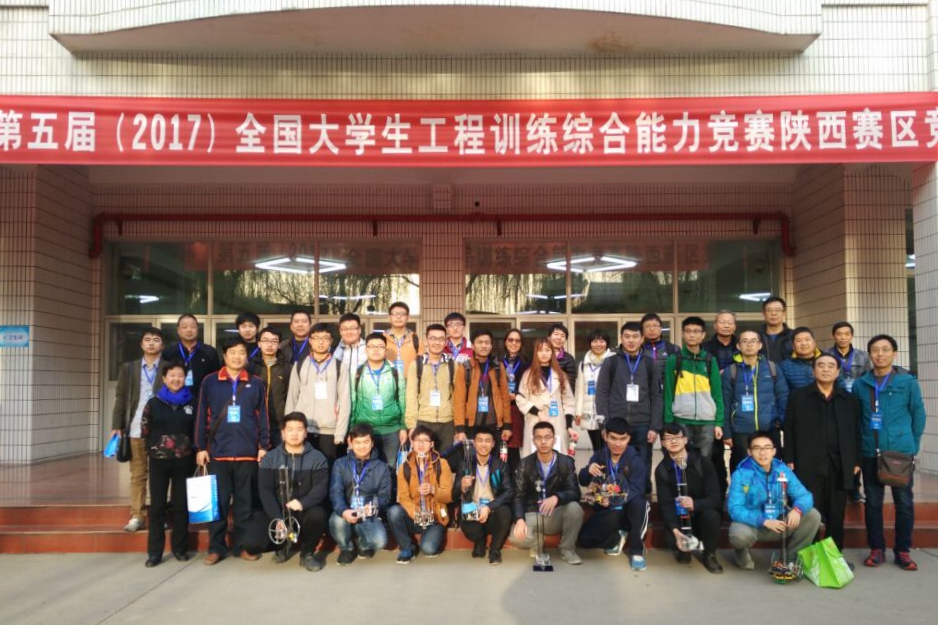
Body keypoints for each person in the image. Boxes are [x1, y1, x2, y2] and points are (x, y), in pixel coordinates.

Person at [194, 337, 269, 566]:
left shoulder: (256, 383)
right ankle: (216, 548)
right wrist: (201, 447)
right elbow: (201, 416)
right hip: (219, 453)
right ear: (225, 355)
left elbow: (263, 416)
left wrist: (263, 446)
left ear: (247, 356)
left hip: (247, 453)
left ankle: (243, 546)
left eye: (241, 352)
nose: (237, 357)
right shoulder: (210, 382)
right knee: (219, 504)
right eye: (232, 352)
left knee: (245, 504)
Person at [854, 335, 926, 571]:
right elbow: (857, 420)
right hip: (870, 452)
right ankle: (877, 549)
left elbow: (918, 415)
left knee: (903, 503)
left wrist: (911, 444)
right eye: (875, 350)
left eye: (885, 350)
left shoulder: (908, 382)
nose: (880, 354)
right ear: (869, 355)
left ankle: (903, 551)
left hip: (899, 454)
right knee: (873, 503)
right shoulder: (861, 384)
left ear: (894, 354)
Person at [784, 355, 861, 553]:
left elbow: (856, 431)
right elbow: (789, 429)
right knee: (810, 512)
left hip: (839, 464)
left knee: (836, 513)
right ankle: (808, 556)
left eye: (831, 366)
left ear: (838, 372)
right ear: (813, 371)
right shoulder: (798, 397)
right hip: (808, 463)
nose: (825, 369)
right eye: (821, 365)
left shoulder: (849, 399)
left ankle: (833, 557)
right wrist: (789, 458)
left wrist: (856, 461)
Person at [243, 412, 329, 572]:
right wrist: (277, 518)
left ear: (305, 432)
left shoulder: (317, 458)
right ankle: (281, 547)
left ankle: (307, 553)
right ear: (283, 433)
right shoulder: (270, 458)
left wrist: (303, 503)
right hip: (278, 509)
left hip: (303, 509)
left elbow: (320, 488)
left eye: (299, 429)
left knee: (318, 515)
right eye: (290, 429)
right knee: (251, 542)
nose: (294, 434)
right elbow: (265, 491)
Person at [727, 432, 821, 570]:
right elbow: (734, 508)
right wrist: (763, 521)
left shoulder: (782, 470)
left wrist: (797, 510)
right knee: (738, 535)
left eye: (767, 448)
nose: (762, 453)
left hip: (778, 520)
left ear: (774, 451)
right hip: (753, 524)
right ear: (749, 452)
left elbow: (804, 495)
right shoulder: (741, 474)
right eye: (757, 448)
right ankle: (742, 551)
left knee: (813, 515)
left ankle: (790, 559)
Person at [594, 322, 662, 493]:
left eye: (635, 337)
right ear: (621, 338)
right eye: (627, 336)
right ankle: (615, 499)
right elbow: (601, 394)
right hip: (616, 424)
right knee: (614, 465)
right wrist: (604, 424)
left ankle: (642, 500)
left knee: (643, 464)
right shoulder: (610, 362)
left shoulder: (650, 364)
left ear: (642, 339)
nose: (631, 340)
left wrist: (654, 426)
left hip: (642, 423)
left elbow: (656, 396)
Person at [141, 361, 195, 567]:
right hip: (159, 461)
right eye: (172, 375)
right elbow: (145, 428)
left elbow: (197, 428)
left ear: (185, 378)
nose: (176, 379)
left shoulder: (191, 402)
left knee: (181, 505)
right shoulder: (154, 402)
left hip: (184, 461)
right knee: (157, 507)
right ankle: (155, 552)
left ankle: (180, 548)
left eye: (180, 375)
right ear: (164, 378)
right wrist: (153, 448)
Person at [577, 418, 649, 571]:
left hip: (628, 511)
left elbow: (637, 490)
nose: (617, 443)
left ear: (629, 438)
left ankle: (637, 551)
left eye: (623, 439)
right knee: (584, 540)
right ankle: (618, 537)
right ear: (605, 436)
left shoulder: (635, 460)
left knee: (639, 502)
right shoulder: (600, 456)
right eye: (613, 438)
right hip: (609, 513)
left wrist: (612, 499)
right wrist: (588, 471)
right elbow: (582, 481)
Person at [111, 326, 164, 533]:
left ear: (162, 345)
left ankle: (159, 515)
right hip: (135, 429)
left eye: (156, 340)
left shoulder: (168, 367)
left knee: (160, 476)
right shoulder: (129, 368)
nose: (151, 343)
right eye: (147, 339)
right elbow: (121, 397)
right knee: (138, 474)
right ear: (141, 344)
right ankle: (137, 515)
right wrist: (116, 425)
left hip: (161, 431)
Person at [511, 422, 584, 565]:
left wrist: (557, 497)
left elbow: (575, 492)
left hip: (555, 514)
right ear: (533, 441)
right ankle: (537, 542)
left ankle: (567, 549)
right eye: (538, 438)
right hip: (533, 514)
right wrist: (519, 519)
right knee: (515, 538)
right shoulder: (524, 464)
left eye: (547, 437)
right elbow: (518, 497)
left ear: (554, 440)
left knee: (575, 509)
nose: (543, 441)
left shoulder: (566, 462)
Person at [655, 423, 724, 573]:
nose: (673, 441)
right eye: (668, 438)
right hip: (679, 518)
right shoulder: (662, 469)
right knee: (672, 540)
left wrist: (695, 504)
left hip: (700, 515)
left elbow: (715, 499)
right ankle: (683, 545)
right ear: (663, 443)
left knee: (712, 516)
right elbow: (665, 504)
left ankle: (709, 554)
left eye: (677, 437)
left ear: (685, 440)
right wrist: (676, 531)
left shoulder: (703, 462)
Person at [722, 330, 789, 473]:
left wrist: (781, 421)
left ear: (760, 345)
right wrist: (726, 432)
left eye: (753, 341)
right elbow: (725, 403)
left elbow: (783, 396)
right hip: (741, 429)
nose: (749, 345)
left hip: (770, 427)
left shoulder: (772, 368)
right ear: (738, 346)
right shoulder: (731, 371)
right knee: (743, 468)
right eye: (745, 341)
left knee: (772, 468)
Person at [388, 426, 454, 563]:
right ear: (412, 443)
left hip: (435, 517)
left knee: (428, 549)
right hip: (415, 516)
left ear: (432, 444)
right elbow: (403, 496)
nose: (421, 444)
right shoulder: (404, 467)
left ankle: (428, 538)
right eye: (417, 440)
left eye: (425, 440)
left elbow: (448, 496)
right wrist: (416, 513)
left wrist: (433, 490)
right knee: (394, 512)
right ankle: (407, 548)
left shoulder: (442, 464)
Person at [286, 323, 350, 461]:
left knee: (327, 468)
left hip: (329, 430)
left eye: (325, 338)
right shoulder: (299, 365)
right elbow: (292, 398)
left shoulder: (340, 366)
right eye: (317, 338)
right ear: (310, 340)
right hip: (303, 429)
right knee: (303, 470)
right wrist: (289, 430)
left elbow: (345, 401)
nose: (321, 342)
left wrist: (340, 433)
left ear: (331, 341)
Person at [329, 424, 392, 565]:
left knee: (380, 541)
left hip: (367, 513)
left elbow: (385, 496)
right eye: (357, 442)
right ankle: (347, 548)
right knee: (337, 520)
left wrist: (373, 506)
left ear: (372, 443)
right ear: (350, 442)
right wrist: (343, 510)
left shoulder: (382, 467)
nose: (362, 446)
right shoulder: (340, 464)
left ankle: (363, 544)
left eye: (366, 442)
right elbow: (335, 491)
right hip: (345, 511)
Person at [451, 426, 514, 564]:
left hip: (493, 510)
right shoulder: (465, 465)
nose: (483, 444)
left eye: (487, 441)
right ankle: (480, 541)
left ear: (493, 444)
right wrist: (462, 486)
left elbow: (509, 492)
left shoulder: (500, 465)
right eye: (480, 440)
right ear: (474, 443)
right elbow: (453, 494)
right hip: (472, 510)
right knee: (468, 526)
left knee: (505, 512)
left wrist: (489, 506)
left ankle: (495, 550)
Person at [664, 317, 724, 458]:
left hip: (707, 421)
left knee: (704, 462)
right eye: (688, 331)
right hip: (681, 420)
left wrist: (719, 422)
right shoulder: (674, 359)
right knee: (681, 460)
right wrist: (668, 422)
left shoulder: (710, 360)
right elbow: (668, 393)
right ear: (683, 334)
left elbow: (717, 393)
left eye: (696, 331)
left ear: (703, 335)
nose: (692, 335)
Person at [826, 321, 872, 503]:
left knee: (854, 444)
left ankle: (854, 488)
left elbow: (869, 378)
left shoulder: (863, 356)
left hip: (857, 404)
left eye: (846, 334)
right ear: (833, 336)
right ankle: (838, 485)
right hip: (834, 403)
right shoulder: (827, 355)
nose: (843, 337)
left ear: (851, 336)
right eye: (839, 334)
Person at [350, 332, 408, 470]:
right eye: (372, 346)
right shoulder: (357, 372)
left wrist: (403, 427)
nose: (376, 350)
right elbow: (352, 401)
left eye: (380, 346)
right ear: (366, 349)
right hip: (364, 430)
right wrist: (351, 429)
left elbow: (402, 399)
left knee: (390, 468)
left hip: (391, 429)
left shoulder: (395, 372)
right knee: (365, 469)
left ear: (386, 350)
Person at [516, 338, 576, 457]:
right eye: (540, 350)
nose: (544, 353)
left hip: (557, 421)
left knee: (557, 458)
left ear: (552, 353)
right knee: (534, 459)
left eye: (547, 350)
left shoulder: (561, 374)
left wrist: (569, 426)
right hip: (535, 419)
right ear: (535, 353)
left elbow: (569, 401)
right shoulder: (528, 374)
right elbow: (520, 398)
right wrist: (538, 413)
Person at [453, 329, 512, 444]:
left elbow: (505, 397)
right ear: (473, 346)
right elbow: (458, 400)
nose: (484, 346)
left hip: (494, 425)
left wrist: (507, 425)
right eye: (480, 342)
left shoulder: (498, 367)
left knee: (494, 455)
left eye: (487, 342)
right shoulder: (465, 368)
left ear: (491, 346)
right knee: (471, 456)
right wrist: (460, 429)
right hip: (471, 425)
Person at [405, 324, 456, 452]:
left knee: (446, 459)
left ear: (446, 341)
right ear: (426, 340)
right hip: (423, 420)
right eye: (433, 338)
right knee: (423, 458)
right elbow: (411, 397)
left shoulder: (452, 365)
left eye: (441, 339)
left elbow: (457, 396)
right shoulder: (416, 365)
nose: (437, 342)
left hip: (447, 422)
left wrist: (457, 424)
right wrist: (411, 425)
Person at [574, 329, 614, 453]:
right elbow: (580, 390)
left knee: (609, 447)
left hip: (608, 412)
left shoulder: (614, 361)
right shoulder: (583, 364)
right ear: (590, 343)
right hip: (589, 412)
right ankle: (598, 465)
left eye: (602, 341)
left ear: (607, 343)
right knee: (597, 448)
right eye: (595, 341)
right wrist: (578, 412)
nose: (598, 344)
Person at [162, 313, 220, 393]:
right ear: (178, 330)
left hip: (202, 397)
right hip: (175, 397)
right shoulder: (169, 352)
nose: (189, 330)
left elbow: (216, 379)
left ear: (197, 329)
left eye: (192, 327)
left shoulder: (210, 351)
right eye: (184, 327)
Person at [257, 326, 289, 449]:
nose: (269, 344)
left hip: (279, 425)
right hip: (256, 424)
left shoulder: (287, 367)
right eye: (265, 340)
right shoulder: (251, 367)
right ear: (259, 343)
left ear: (279, 344)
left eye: (274, 341)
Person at [502, 328, 529, 476]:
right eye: (510, 340)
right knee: (501, 447)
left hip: (518, 409)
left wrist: (516, 395)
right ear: (505, 342)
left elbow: (531, 388)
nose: (514, 343)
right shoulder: (498, 362)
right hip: (501, 410)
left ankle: (516, 481)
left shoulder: (527, 363)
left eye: (517, 340)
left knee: (514, 449)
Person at [779, 327, 822, 394]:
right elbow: (782, 393)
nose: (804, 343)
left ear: (814, 343)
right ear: (793, 345)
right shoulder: (784, 366)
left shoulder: (827, 361)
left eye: (807, 339)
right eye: (799, 341)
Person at [384, 301, 420, 375]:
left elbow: (421, 366)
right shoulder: (381, 339)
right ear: (389, 317)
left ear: (408, 317)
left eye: (402, 314)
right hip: (387, 381)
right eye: (394, 313)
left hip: (410, 381)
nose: (398, 317)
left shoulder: (416, 340)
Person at [640, 312, 680, 379]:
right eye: (647, 326)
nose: (652, 329)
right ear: (642, 330)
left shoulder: (673, 349)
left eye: (655, 326)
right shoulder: (638, 350)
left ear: (661, 328)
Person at [758, 296, 794, 363]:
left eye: (777, 310)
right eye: (769, 310)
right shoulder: (756, 337)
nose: (773, 313)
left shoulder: (794, 335)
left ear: (784, 313)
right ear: (763, 313)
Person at [334, 312, 367, 384]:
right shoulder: (333, 351)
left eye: (352, 328)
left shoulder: (369, 349)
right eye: (345, 329)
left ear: (359, 330)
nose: (349, 332)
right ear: (340, 331)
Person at [547, 323, 577, 388]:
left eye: (562, 336)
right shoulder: (540, 355)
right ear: (549, 337)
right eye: (556, 334)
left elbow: (571, 383)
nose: (559, 338)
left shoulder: (569, 359)